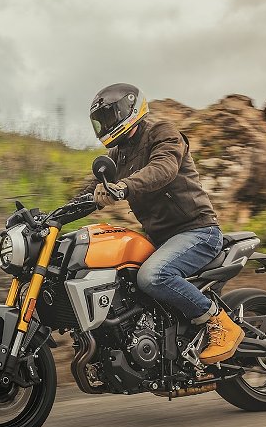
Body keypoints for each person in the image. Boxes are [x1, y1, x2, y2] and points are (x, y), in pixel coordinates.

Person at [76, 82, 243, 364]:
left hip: (197, 230)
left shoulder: (162, 132)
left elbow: (163, 169)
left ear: (129, 108)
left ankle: (219, 322)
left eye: (110, 116)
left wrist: (124, 187)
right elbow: (90, 190)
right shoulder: (118, 155)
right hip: (160, 239)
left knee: (152, 276)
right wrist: (51, 217)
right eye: (102, 120)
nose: (107, 124)